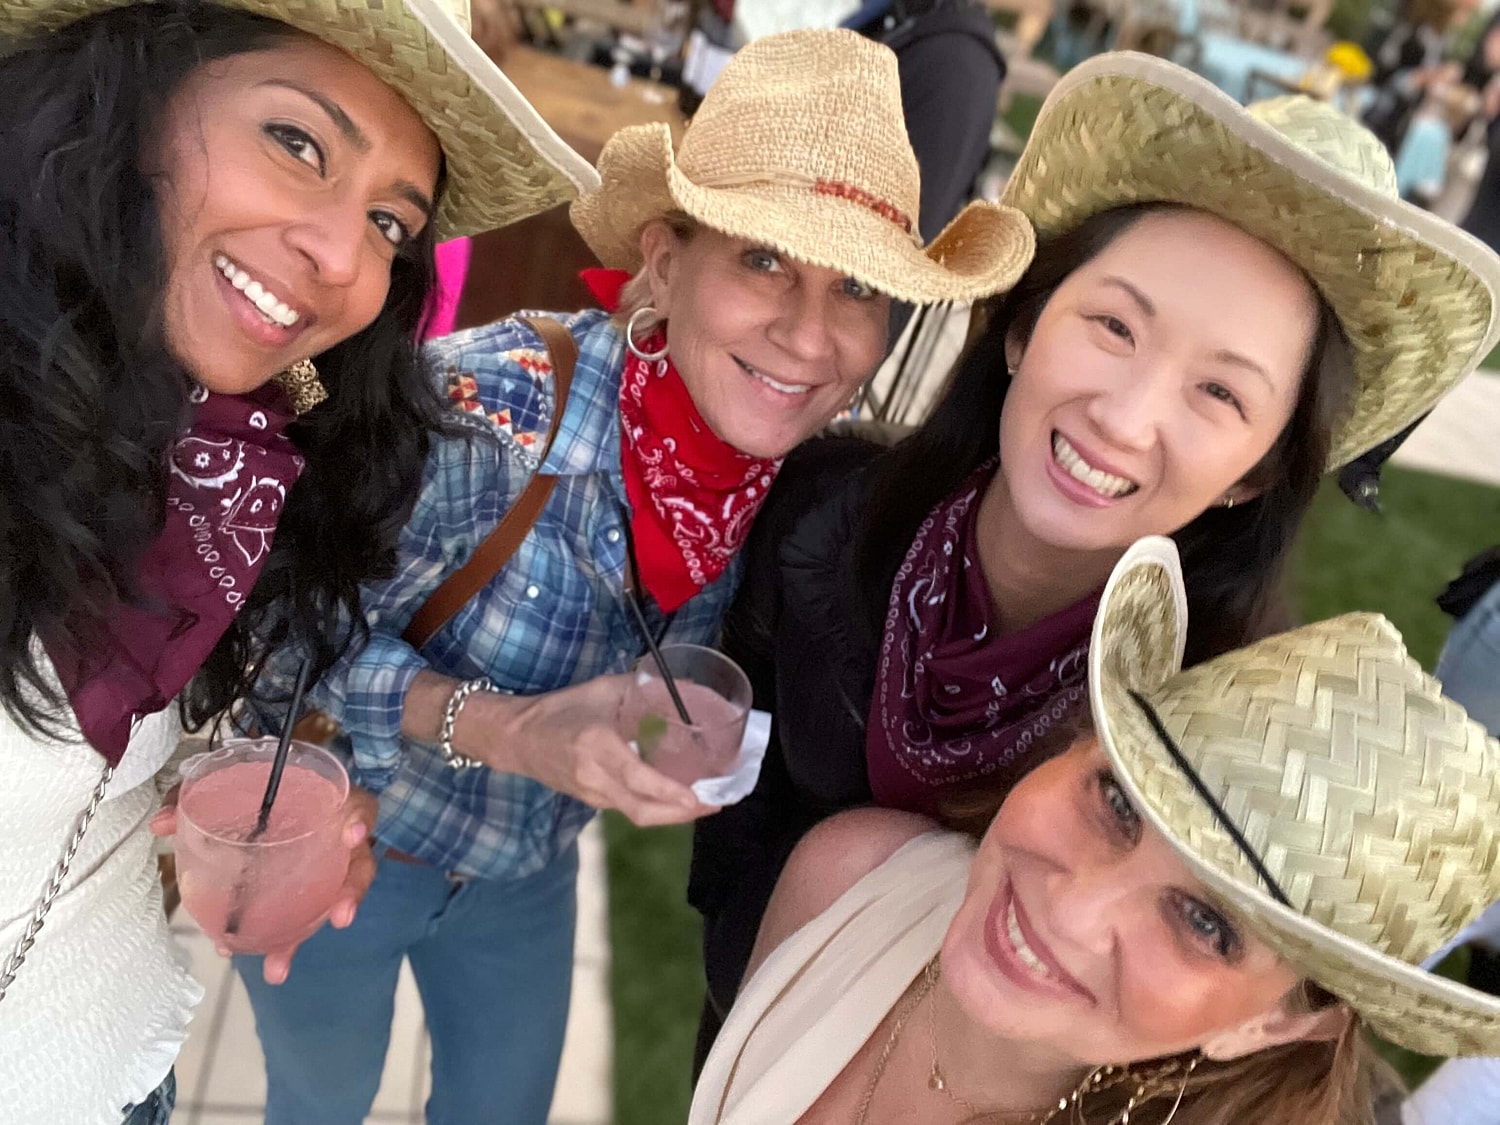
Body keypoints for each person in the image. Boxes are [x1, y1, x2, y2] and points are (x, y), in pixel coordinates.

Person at [231, 28, 1034, 1125]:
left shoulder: (797, 495)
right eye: (763, 258)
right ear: (665, 258)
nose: (809, 334)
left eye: (856, 287)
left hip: (526, 873)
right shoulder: (486, 414)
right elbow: (279, 631)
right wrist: (515, 731)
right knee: (317, 1105)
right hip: (359, 843)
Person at [689, 50, 1500, 1066]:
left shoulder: (1237, 730)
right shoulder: (819, 507)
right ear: (1023, 325)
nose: (1125, 416)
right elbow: (742, 811)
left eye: (1221, 393)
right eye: (1113, 325)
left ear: (1257, 471)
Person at [0, 0, 596, 1120]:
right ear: (131, 86)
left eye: (390, 224)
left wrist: (194, 810)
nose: (338, 256)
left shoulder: (222, 466)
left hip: (124, 1062)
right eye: (297, 142)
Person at [691, 536, 1500, 1124]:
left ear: (1273, 1022)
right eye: (1118, 801)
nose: (1073, 910)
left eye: (1207, 922)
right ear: (1079, 742)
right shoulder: (847, 875)